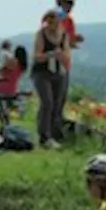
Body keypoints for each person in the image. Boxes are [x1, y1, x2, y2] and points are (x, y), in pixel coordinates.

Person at [31, 9, 69, 149]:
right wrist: (51, 54)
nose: (51, 24)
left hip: (58, 71)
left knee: (57, 103)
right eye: (49, 21)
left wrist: (62, 56)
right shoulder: (41, 34)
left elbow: (66, 54)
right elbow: (36, 56)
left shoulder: (63, 34)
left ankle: (54, 134)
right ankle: (44, 136)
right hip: (42, 72)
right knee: (47, 102)